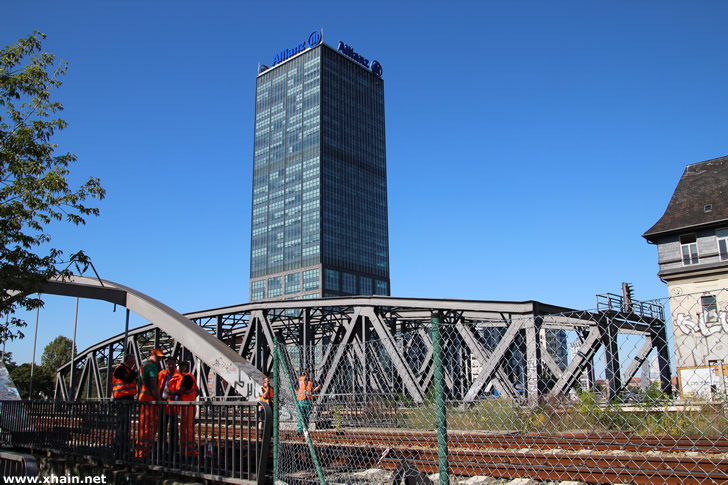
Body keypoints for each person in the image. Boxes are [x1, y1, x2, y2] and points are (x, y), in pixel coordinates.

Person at [135, 348, 164, 459]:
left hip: (144, 397)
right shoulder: (151, 366)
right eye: (158, 357)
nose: (159, 360)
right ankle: (143, 453)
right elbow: (153, 385)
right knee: (149, 427)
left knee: (144, 426)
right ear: (153, 355)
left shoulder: (144, 365)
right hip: (150, 399)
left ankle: (141, 452)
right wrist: (158, 399)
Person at [169, 361, 198, 458]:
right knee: (189, 428)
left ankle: (188, 451)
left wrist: (170, 392)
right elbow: (197, 391)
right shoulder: (192, 377)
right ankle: (188, 450)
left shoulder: (186, 378)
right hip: (191, 405)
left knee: (186, 429)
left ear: (182, 369)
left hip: (186, 406)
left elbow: (181, 391)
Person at [112, 354, 137, 455]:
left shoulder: (127, 370)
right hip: (121, 400)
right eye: (132, 361)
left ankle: (123, 447)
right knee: (121, 425)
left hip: (126, 400)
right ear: (128, 361)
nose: (134, 363)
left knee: (125, 425)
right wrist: (134, 372)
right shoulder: (120, 369)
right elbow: (127, 379)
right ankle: (119, 448)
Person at [157, 357, 181, 458]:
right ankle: (161, 449)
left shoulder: (178, 376)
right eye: (169, 364)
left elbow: (179, 390)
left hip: (172, 406)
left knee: (173, 429)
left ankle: (173, 450)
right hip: (163, 404)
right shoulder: (161, 374)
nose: (171, 366)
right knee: (162, 428)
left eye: (173, 364)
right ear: (166, 364)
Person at [296, 369, 320, 434]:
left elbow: (319, 385)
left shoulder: (311, 380)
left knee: (306, 415)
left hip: (308, 399)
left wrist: (313, 391)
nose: (305, 377)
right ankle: (300, 429)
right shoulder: (299, 379)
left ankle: (305, 429)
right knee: (300, 415)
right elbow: (294, 386)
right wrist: (297, 392)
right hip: (301, 399)